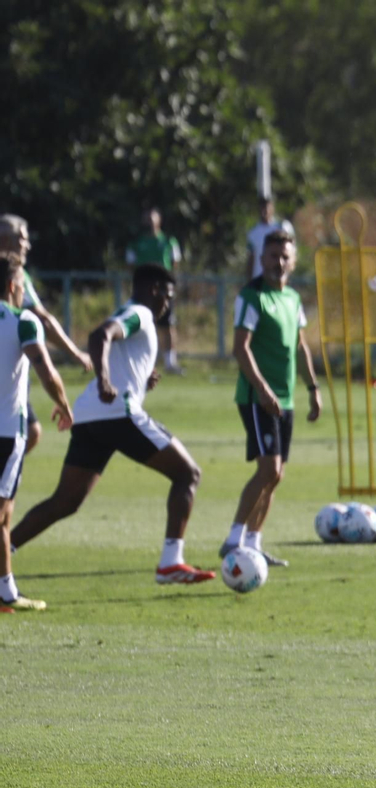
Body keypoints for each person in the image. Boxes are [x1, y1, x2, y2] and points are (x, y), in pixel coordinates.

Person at [8, 263, 212, 586]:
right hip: (116, 413)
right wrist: (104, 380)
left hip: (91, 415)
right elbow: (100, 335)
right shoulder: (140, 313)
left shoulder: (131, 313)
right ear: (154, 290)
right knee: (188, 474)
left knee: (65, 501)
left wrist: (141, 380)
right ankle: (170, 563)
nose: (168, 304)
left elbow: (120, 357)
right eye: (168, 296)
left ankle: (4, 550)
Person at [220, 230, 320, 567]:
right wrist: (262, 389)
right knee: (269, 469)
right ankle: (233, 540)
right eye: (273, 255)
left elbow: (300, 346)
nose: (279, 262)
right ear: (261, 259)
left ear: (293, 261)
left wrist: (313, 388)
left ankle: (253, 543)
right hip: (256, 397)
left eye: (284, 256)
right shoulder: (252, 296)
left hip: (286, 399)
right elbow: (240, 348)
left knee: (276, 476)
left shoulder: (292, 298)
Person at [0, 253, 74, 612]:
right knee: (1, 512)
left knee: (5, 514)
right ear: (13, 286)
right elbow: (45, 369)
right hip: (5, 432)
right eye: (22, 287)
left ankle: (6, 590)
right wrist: (63, 403)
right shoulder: (22, 321)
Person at [0, 214, 92, 454]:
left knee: (31, 431)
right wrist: (75, 353)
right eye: (22, 238)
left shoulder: (16, 273)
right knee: (25, 432)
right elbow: (43, 320)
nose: (27, 245)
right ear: (4, 239)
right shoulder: (15, 276)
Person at [125, 208, 182, 373]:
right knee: (143, 324)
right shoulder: (137, 243)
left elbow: (175, 263)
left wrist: (169, 286)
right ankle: (142, 360)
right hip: (143, 292)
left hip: (163, 291)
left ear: (159, 220)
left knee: (168, 324)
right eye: (147, 219)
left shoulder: (169, 241)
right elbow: (130, 265)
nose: (150, 222)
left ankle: (170, 362)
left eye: (153, 219)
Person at [244, 197, 295, 281]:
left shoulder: (281, 227)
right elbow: (251, 258)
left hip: (278, 275)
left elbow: (291, 252)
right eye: (262, 208)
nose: (265, 211)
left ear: (272, 208)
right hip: (259, 278)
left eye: (267, 208)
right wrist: (249, 279)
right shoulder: (253, 233)